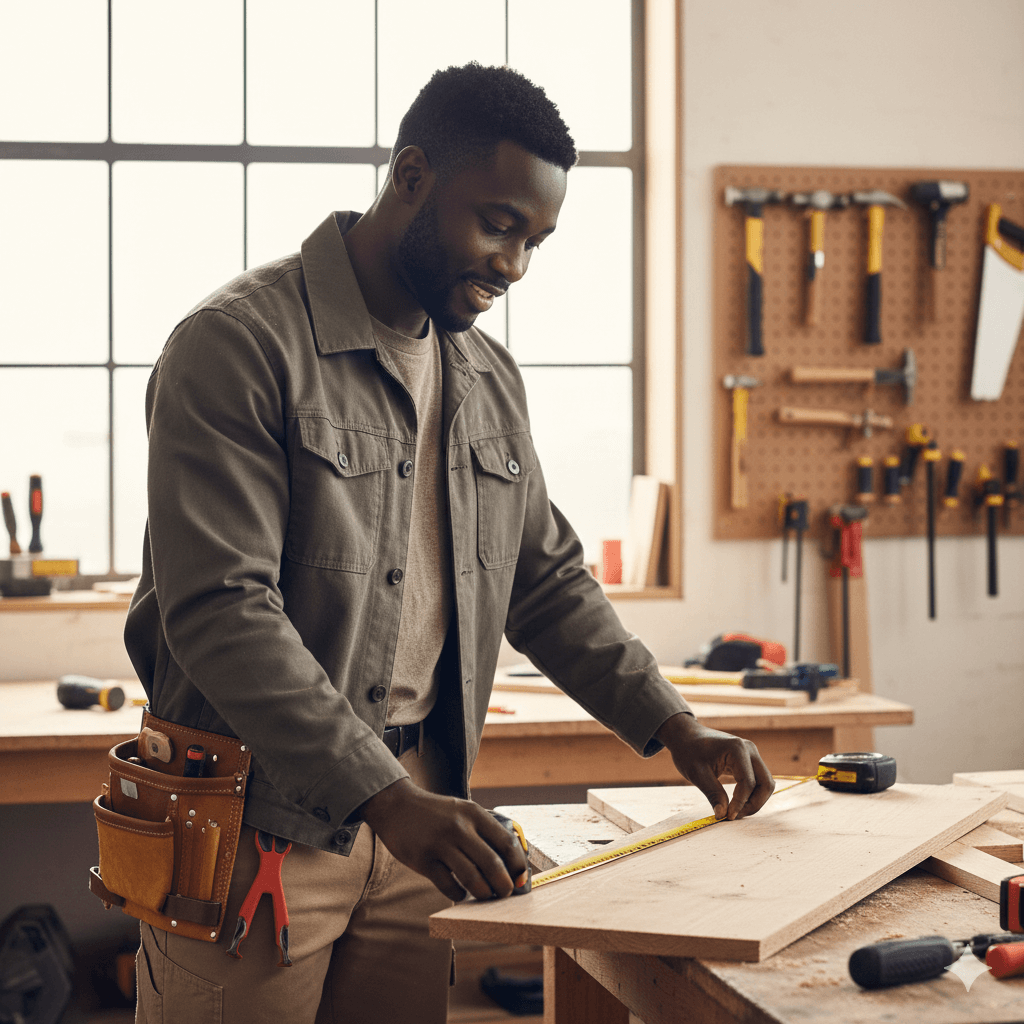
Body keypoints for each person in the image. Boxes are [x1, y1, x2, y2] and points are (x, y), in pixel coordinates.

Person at [123, 62, 774, 1024]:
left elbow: (544, 583)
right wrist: (381, 795)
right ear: (413, 174)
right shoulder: (239, 344)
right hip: (255, 819)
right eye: (499, 224)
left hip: (426, 811)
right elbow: (221, 612)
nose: (513, 264)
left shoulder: (487, 377)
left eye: (536, 240)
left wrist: (673, 725)